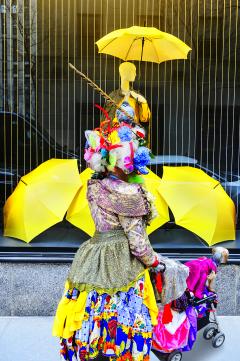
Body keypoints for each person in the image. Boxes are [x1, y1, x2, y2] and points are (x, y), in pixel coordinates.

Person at [52, 117, 165, 361]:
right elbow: (137, 244)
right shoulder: (126, 192)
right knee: (124, 315)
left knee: (91, 311)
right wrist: (155, 262)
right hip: (122, 261)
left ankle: (93, 347)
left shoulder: (95, 185)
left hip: (93, 253)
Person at [103, 62, 151, 145]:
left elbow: (145, 119)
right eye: (133, 71)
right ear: (124, 73)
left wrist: (143, 102)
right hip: (115, 138)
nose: (135, 74)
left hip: (133, 137)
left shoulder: (137, 96)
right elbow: (106, 120)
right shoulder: (113, 96)